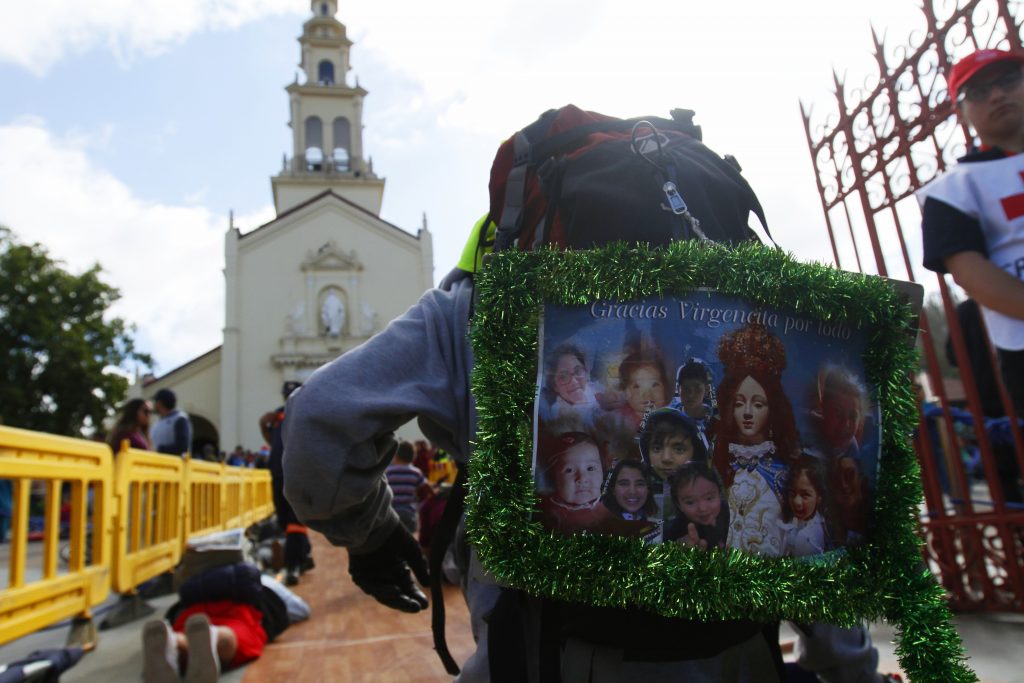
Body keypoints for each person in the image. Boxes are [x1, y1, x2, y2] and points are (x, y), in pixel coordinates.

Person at [918, 47, 1024, 415]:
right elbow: (971, 274)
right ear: (961, 111)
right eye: (978, 91)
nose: (997, 95)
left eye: (1008, 81)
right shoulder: (949, 191)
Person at [713, 322, 800, 557]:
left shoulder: (783, 474)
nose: (748, 413)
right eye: (740, 403)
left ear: (772, 410)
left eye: (758, 404)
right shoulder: (720, 465)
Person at [141, 562, 309, 683]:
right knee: (231, 637)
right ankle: (213, 636)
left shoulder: (200, 582)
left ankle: (173, 642)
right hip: (239, 613)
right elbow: (301, 610)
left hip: (193, 612)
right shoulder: (262, 581)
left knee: (186, 634)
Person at [258, 381, 312, 586]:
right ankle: (304, 554)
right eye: (286, 395)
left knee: (295, 522)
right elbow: (274, 441)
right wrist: (263, 425)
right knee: (284, 521)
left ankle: (292, 566)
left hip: (298, 473)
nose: (288, 398)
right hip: (278, 473)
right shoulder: (278, 415)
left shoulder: (306, 413)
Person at [536, 432, 608, 534]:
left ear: (603, 471)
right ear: (554, 477)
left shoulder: (612, 502)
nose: (582, 478)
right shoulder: (548, 510)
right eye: (569, 470)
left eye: (590, 468)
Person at [663, 461, 729, 550]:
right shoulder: (676, 532)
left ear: (719, 494)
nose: (703, 508)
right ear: (679, 505)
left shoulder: (733, 514)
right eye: (690, 502)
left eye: (709, 498)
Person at [537, 342, 601, 431]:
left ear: (585, 372)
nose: (574, 381)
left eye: (578, 371)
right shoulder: (561, 414)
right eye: (563, 377)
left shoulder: (592, 387)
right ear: (555, 386)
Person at [781, 455, 830, 557]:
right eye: (792, 494)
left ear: (819, 497)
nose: (797, 502)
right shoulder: (809, 517)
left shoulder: (805, 538)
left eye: (805, 495)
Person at [385, 441, 433, 534]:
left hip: (390, 513)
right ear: (414, 457)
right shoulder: (416, 472)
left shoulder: (388, 472)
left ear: (396, 456)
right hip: (409, 513)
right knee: (408, 538)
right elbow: (427, 489)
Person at [150, 389, 193, 456]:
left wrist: (158, 450)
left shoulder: (180, 419)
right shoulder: (159, 421)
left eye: (155, 401)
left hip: (172, 462)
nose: (154, 404)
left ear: (160, 403)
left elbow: (182, 447)